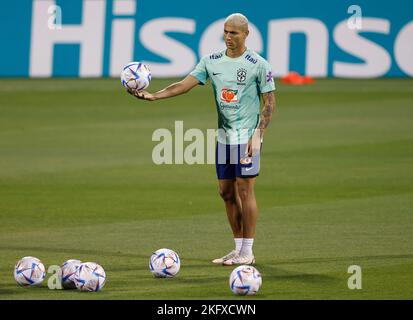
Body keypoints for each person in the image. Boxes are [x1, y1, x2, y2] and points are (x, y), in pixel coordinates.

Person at [128, 13, 276, 265]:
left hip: (247, 138)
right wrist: (154, 96)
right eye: (226, 32)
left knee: (244, 189)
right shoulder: (211, 61)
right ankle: (238, 248)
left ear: (246, 34)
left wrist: (258, 134)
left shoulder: (258, 64)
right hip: (224, 137)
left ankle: (248, 252)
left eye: (234, 33)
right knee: (226, 192)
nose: (228, 37)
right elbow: (183, 85)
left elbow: (269, 103)